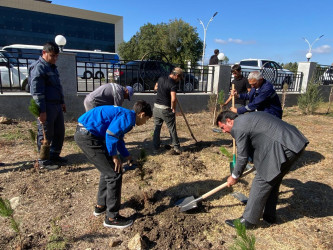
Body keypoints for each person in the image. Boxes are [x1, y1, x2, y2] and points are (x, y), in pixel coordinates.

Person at [216, 111, 308, 229]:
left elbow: (242, 156)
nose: (223, 131)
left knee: (261, 181)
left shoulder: (238, 126)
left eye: (223, 127)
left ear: (229, 120)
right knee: (273, 179)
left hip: (283, 145)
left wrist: (234, 176)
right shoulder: (247, 119)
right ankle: (269, 215)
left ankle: (249, 220)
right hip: (295, 142)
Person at [74, 100, 152, 229]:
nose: (145, 123)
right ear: (142, 114)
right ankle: (112, 218)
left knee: (107, 170)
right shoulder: (127, 118)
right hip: (88, 136)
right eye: (147, 120)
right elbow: (110, 135)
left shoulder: (127, 115)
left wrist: (127, 156)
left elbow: (118, 138)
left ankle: (101, 206)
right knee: (115, 174)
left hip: (88, 133)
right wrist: (114, 156)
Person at [29, 41, 66, 170]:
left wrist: (62, 102)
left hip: (56, 105)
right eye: (52, 55)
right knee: (45, 133)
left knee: (59, 132)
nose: (55, 58)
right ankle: (43, 161)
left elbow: (57, 87)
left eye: (57, 56)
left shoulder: (52, 67)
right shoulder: (39, 68)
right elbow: (37, 92)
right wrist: (42, 111)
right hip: (47, 106)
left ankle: (54, 155)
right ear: (44, 53)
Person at [153, 67, 183, 154]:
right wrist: (173, 108)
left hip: (156, 107)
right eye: (179, 78)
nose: (179, 80)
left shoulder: (161, 78)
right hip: (166, 109)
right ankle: (176, 147)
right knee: (172, 128)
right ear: (176, 75)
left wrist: (161, 91)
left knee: (156, 128)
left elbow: (155, 87)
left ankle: (156, 148)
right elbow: (173, 99)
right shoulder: (173, 84)